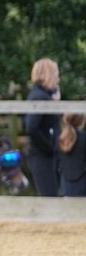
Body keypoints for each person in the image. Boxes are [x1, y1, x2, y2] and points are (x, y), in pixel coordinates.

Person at [24, 57, 61, 196]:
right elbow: (31, 127)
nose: (58, 78)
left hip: (47, 155)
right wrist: (49, 147)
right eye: (56, 74)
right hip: (41, 155)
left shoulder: (45, 95)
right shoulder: (39, 97)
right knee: (49, 197)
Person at [59, 113, 85, 197]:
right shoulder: (83, 138)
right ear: (82, 121)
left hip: (65, 184)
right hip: (82, 183)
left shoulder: (61, 138)